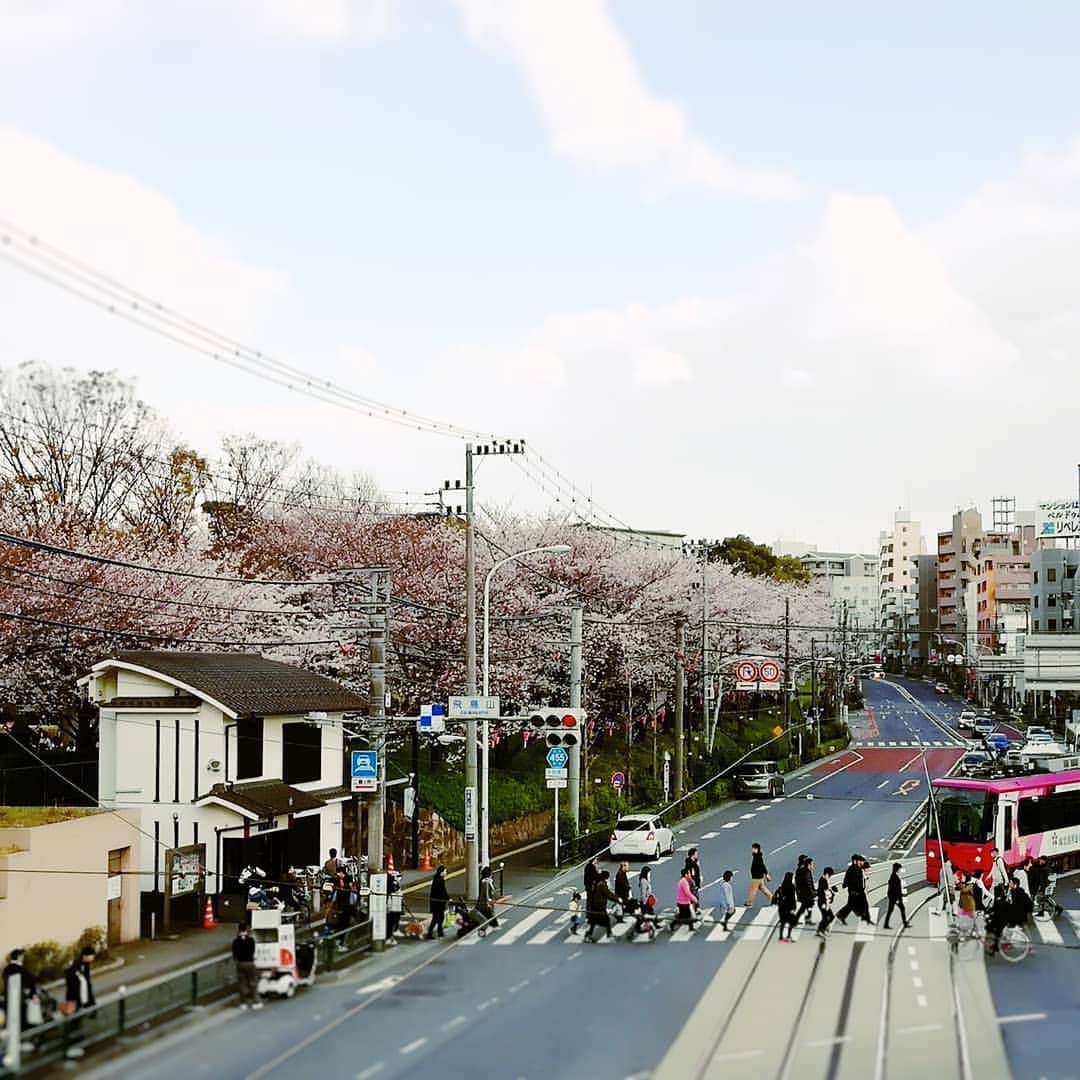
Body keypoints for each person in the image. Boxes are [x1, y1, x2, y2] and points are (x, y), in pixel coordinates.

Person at [3, 948, 37, 1031]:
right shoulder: (20, 968)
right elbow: (32, 979)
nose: (23, 957)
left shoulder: (6, 970)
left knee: (16, 1026)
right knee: (27, 1024)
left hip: (10, 1002)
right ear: (19, 956)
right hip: (22, 1001)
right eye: (22, 956)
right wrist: (34, 995)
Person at [232, 924, 261, 1010]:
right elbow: (253, 951)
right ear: (247, 929)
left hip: (240, 963)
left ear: (238, 930)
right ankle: (255, 1001)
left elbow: (234, 954)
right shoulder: (251, 940)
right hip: (250, 963)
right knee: (252, 982)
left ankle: (243, 1003)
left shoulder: (236, 941)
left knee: (242, 983)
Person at [584, 870, 619, 942]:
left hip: (595, 905)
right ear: (606, 877)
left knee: (594, 921)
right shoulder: (602, 884)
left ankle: (588, 936)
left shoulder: (597, 882)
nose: (609, 879)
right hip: (599, 906)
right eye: (608, 878)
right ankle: (609, 934)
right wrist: (617, 899)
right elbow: (608, 894)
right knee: (606, 920)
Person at [836, 854, 864, 926]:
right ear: (855, 861)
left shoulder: (851, 868)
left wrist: (845, 885)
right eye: (858, 860)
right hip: (854, 890)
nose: (859, 862)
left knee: (851, 904)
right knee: (851, 904)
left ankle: (842, 915)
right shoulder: (855, 869)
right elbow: (855, 880)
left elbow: (846, 878)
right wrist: (858, 889)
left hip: (852, 889)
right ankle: (841, 914)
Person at [882, 862, 910, 930]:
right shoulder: (894, 877)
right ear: (897, 869)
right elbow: (894, 889)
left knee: (891, 910)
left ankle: (886, 924)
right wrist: (897, 899)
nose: (900, 870)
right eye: (900, 868)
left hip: (894, 897)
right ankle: (904, 923)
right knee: (898, 909)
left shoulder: (894, 875)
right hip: (894, 897)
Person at [425, 865, 449, 940]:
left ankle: (440, 931)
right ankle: (430, 933)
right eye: (445, 871)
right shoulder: (439, 880)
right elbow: (442, 891)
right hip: (437, 903)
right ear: (441, 872)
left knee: (441, 917)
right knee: (436, 918)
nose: (446, 872)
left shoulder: (439, 879)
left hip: (438, 902)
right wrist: (447, 898)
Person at [672, 867, 698, 932]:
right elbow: (687, 892)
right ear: (686, 874)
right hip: (683, 902)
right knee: (683, 916)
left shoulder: (683, 881)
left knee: (688, 915)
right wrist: (694, 898)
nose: (690, 875)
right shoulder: (684, 882)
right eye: (689, 873)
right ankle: (672, 924)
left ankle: (691, 927)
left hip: (683, 901)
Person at [776, 871, 798, 942]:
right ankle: (788, 935)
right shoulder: (792, 887)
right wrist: (794, 907)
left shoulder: (782, 886)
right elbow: (792, 898)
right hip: (789, 907)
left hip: (781, 907)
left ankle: (781, 937)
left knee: (783, 922)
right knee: (792, 922)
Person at [795, 855, 816, 926]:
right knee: (808, 905)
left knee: (805, 907)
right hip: (805, 893)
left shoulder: (800, 869)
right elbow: (808, 882)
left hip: (802, 892)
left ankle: (803, 919)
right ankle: (807, 919)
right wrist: (813, 892)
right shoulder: (804, 870)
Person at [816, 866, 836, 937]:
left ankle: (821, 930)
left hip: (824, 902)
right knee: (828, 917)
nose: (830, 877)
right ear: (827, 874)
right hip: (823, 903)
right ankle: (821, 930)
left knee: (829, 917)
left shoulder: (823, 880)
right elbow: (822, 893)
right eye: (830, 875)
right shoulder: (823, 881)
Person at [477, 865, 499, 929]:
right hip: (486, 902)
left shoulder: (487, 881)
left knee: (487, 914)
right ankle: (494, 925)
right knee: (489, 913)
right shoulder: (486, 882)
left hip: (486, 902)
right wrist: (488, 901)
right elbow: (486, 893)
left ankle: (492, 924)